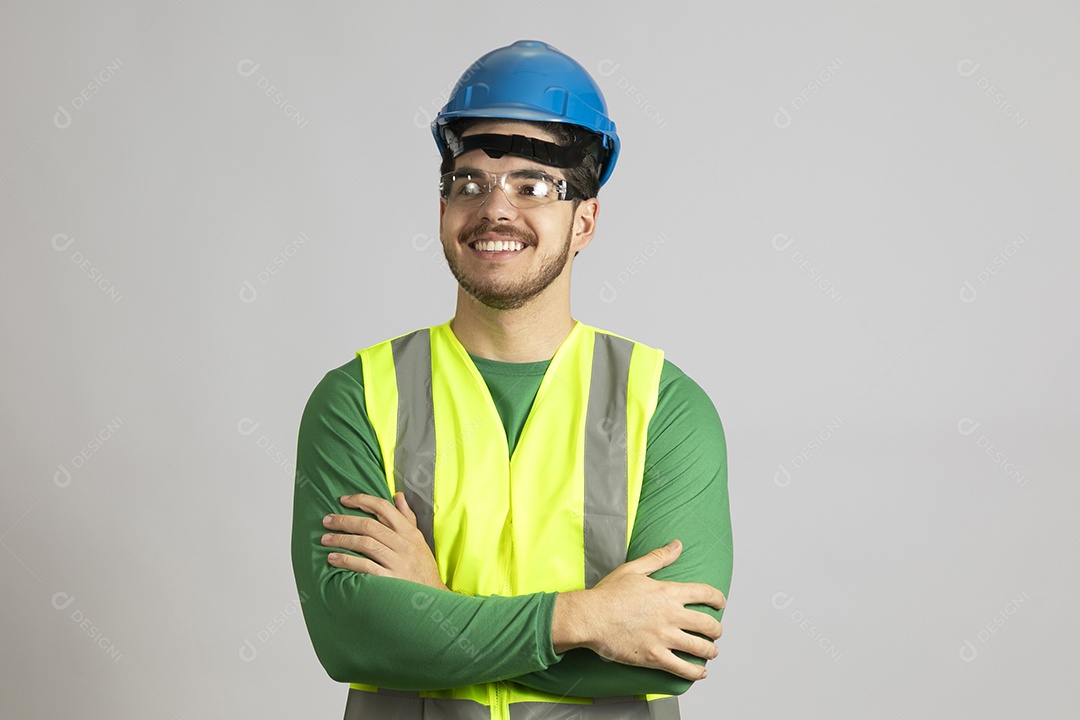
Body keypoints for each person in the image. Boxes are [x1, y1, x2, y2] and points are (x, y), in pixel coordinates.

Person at [291, 40, 732, 720]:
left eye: (533, 186)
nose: (495, 209)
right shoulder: (357, 397)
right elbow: (350, 637)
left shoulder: (665, 406)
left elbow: (675, 654)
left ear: (583, 220)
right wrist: (587, 619)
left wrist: (434, 615)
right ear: (442, 210)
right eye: (469, 184)